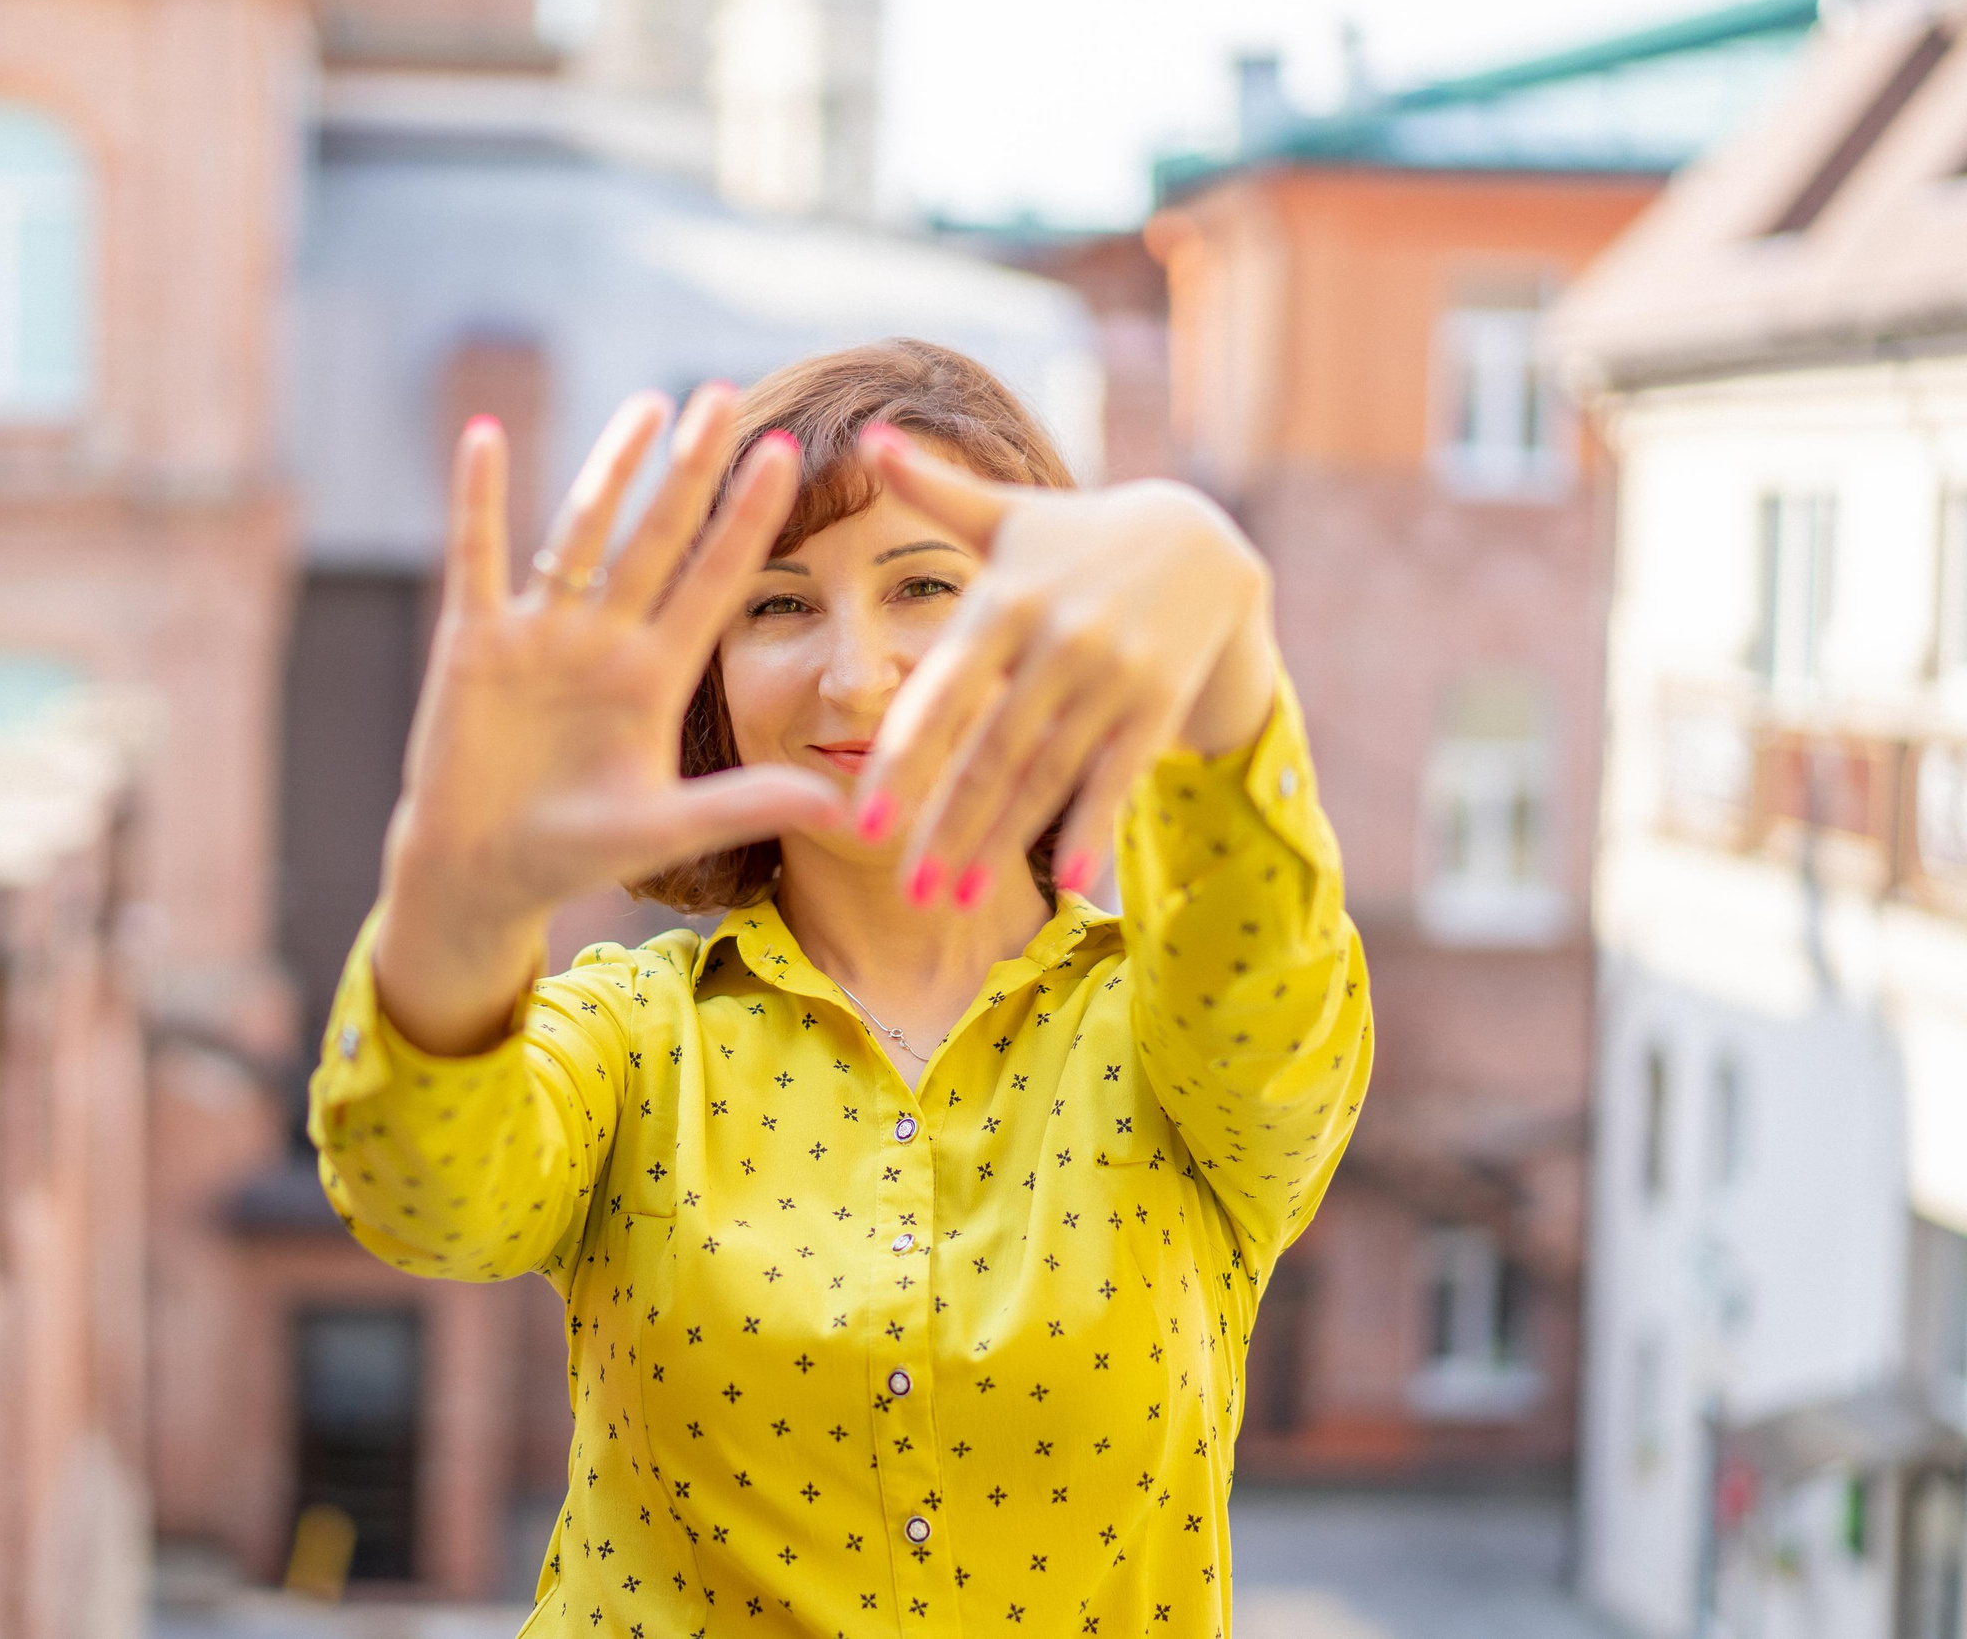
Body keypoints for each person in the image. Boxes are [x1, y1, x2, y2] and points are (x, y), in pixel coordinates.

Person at [309, 339, 1372, 1636]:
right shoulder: (636, 1044)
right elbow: (423, 1199)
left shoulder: (1175, 1048)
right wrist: (456, 898)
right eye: (777, 605)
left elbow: (1264, 974)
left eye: (923, 587)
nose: (853, 676)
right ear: (707, 674)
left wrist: (1220, 631)